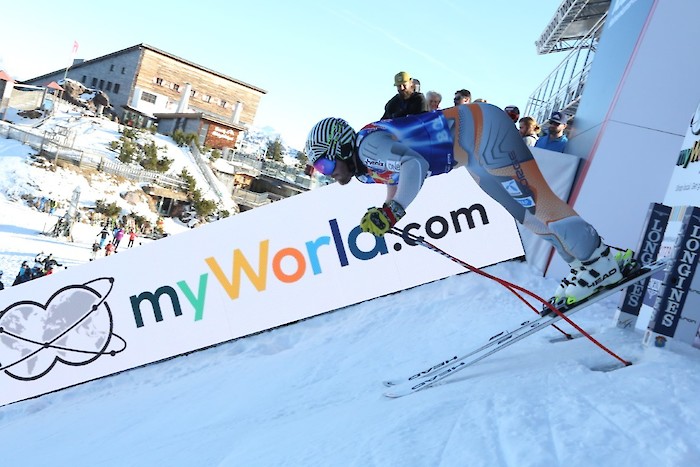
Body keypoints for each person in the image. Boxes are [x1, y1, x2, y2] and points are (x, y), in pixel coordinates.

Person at [305, 105, 634, 309]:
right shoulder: (364, 170)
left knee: (536, 203)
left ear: (339, 149)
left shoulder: (366, 147)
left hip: (481, 132)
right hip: (471, 148)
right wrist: (388, 208)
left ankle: (597, 261)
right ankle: (593, 261)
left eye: (325, 167)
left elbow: (413, 165)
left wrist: (393, 211)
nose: (328, 175)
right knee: (525, 215)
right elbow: (395, 176)